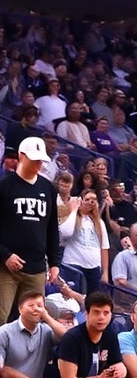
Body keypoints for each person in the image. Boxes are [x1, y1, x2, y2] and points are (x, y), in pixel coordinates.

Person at [0, 137, 62, 321]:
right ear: (21, 156)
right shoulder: (4, 186)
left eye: (40, 160)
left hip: (36, 267)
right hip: (5, 266)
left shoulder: (48, 188)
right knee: (1, 317)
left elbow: (52, 228)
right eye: (34, 159)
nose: (38, 164)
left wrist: (54, 263)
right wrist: (5, 255)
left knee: (33, 319)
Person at [0, 290, 69, 377]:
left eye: (39, 306)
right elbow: (2, 369)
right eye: (31, 305)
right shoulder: (5, 332)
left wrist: (46, 317)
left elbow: (66, 336)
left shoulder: (46, 330)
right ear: (20, 309)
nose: (36, 309)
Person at [56, 291, 124, 378]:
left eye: (106, 313)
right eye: (96, 312)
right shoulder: (71, 338)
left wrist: (120, 370)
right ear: (86, 314)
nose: (101, 317)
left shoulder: (110, 334)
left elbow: (117, 363)